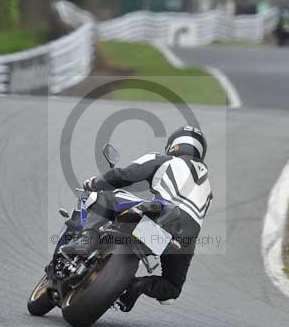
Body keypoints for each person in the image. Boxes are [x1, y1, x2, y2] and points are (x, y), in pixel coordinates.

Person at [81, 126, 213, 312]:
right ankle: (140, 285)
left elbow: (125, 175)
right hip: (179, 241)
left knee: (103, 197)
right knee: (172, 288)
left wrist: (95, 182)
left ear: (173, 145)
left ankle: (86, 241)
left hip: (158, 217)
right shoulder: (208, 189)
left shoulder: (166, 160)